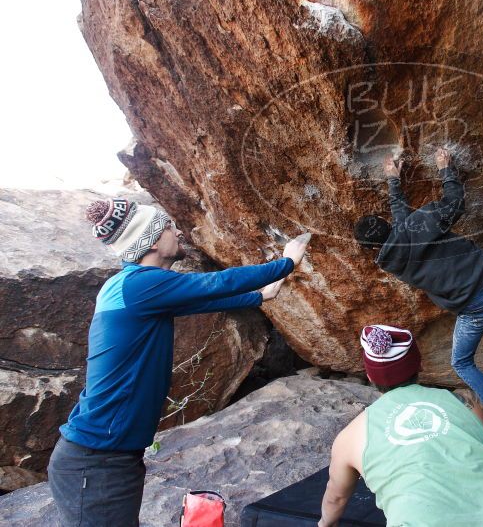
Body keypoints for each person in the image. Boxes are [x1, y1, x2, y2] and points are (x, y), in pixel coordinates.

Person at [47, 198, 310, 526]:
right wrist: (284, 264)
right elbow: (215, 283)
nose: (178, 232)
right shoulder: (139, 284)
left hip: (111, 455)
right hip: (97, 459)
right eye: (169, 227)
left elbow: (206, 299)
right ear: (154, 240)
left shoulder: (133, 290)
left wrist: (261, 295)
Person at [353, 148, 483, 442]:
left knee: (461, 363)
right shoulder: (416, 224)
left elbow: (402, 227)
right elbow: (453, 204)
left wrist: (394, 181)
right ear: (386, 224)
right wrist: (445, 169)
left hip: (474, 310)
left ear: (372, 250)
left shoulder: (391, 263)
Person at [318, 325, 483, 527]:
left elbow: (336, 499)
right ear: (420, 365)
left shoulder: (351, 436)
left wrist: (325, 523)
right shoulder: (467, 403)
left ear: (369, 374)